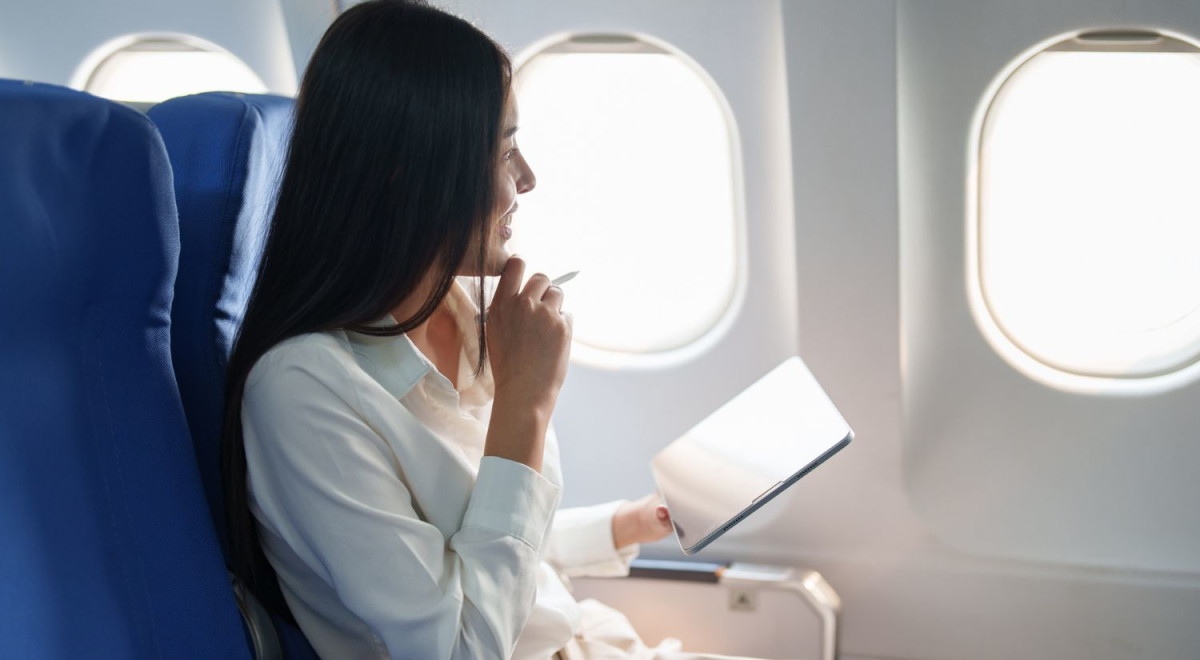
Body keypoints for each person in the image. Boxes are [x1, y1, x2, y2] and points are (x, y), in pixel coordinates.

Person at [221, 1, 763, 658]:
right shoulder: (303, 392)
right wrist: (525, 405)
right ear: (408, 172)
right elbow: (459, 643)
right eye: (505, 149)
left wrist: (622, 524)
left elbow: (481, 541)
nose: (527, 178)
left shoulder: (463, 313)